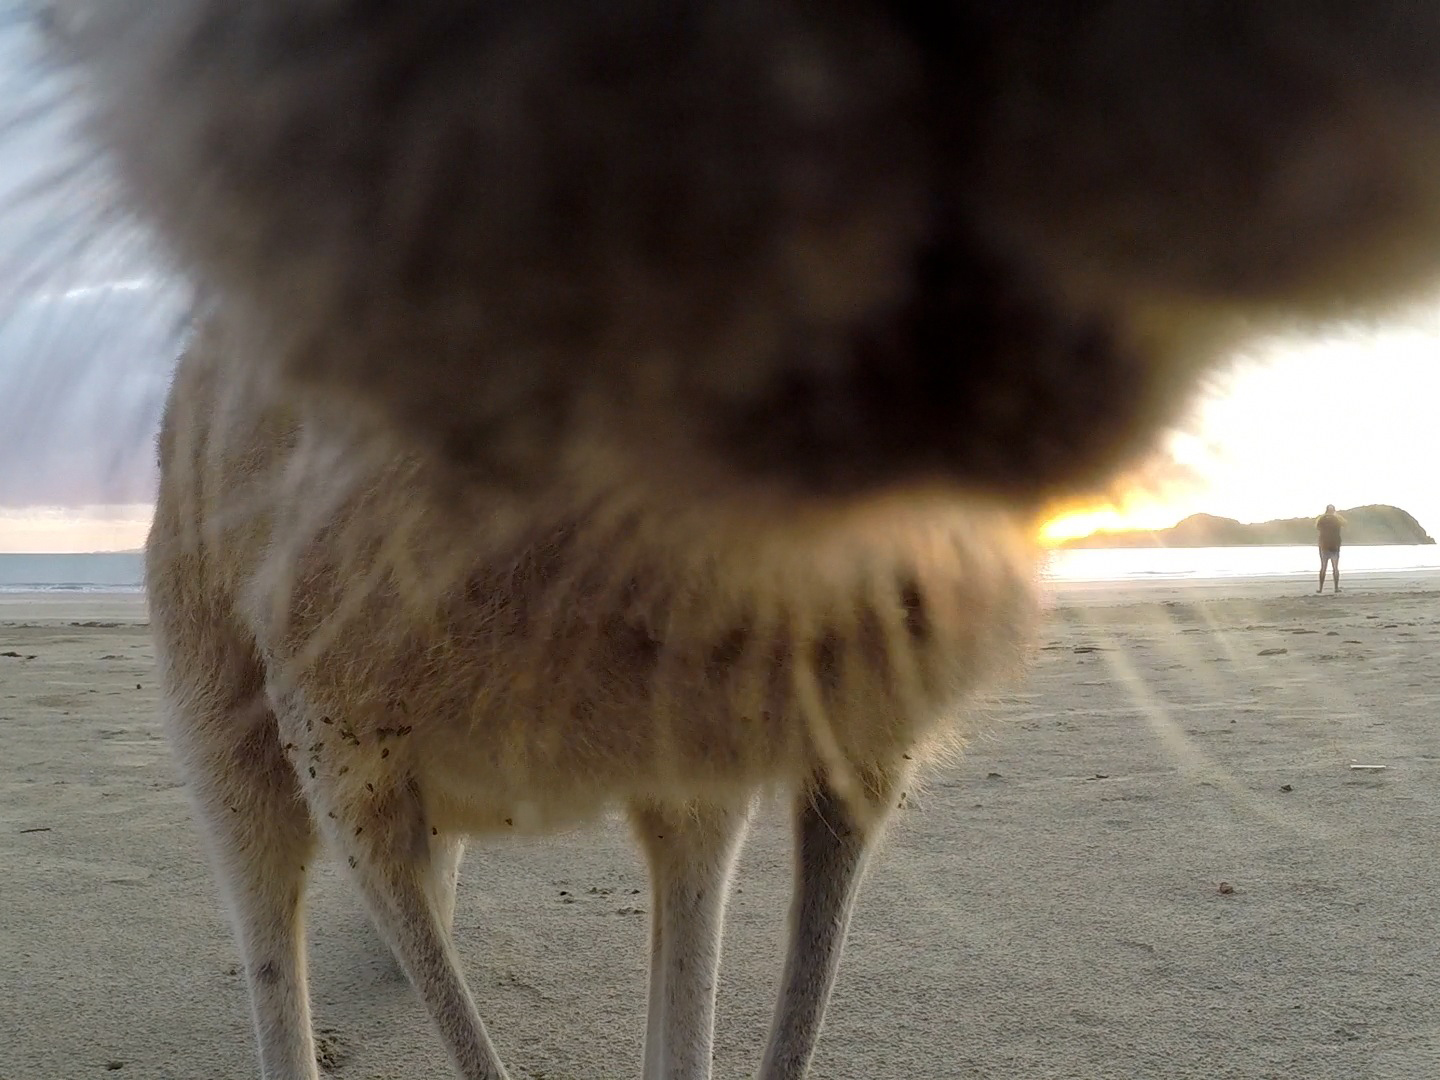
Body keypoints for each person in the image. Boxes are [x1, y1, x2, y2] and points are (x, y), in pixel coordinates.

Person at [1316, 504, 1345, 593]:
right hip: (1335, 546)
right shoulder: (1337, 519)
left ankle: (1320, 588)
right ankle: (1336, 588)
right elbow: (1344, 523)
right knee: (1335, 568)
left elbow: (1317, 527)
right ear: (1333, 510)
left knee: (1323, 567)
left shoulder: (1321, 519)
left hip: (1324, 545)